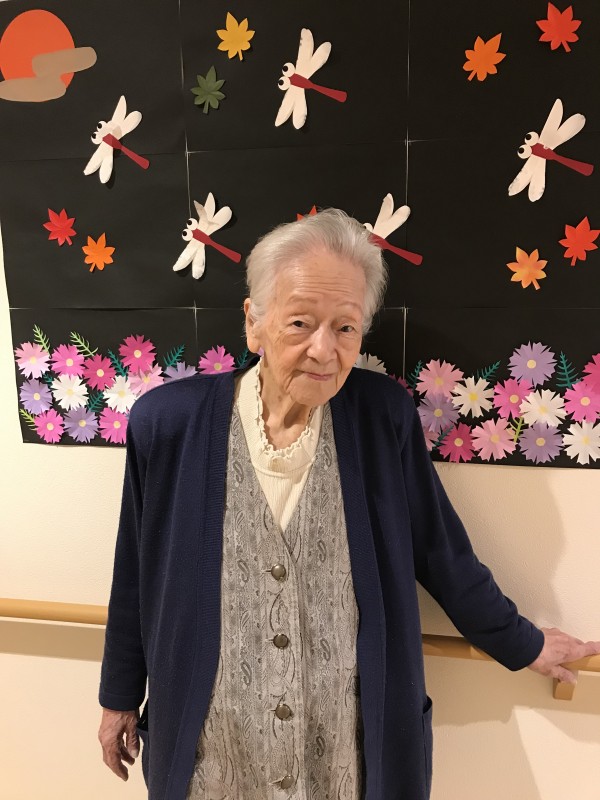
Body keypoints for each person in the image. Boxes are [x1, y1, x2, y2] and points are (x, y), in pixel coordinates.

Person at [98, 208, 600, 800]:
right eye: (300, 323)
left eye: (345, 327)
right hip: (213, 754)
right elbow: (136, 570)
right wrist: (118, 696)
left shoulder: (381, 417)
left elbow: (440, 553)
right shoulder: (168, 424)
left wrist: (524, 643)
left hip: (347, 754)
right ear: (254, 323)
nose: (324, 350)